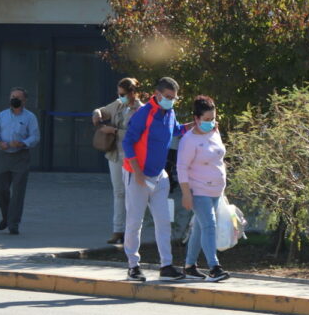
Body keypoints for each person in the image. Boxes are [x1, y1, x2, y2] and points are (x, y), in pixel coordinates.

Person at [122, 75, 183, 282]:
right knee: (134, 222)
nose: (171, 101)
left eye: (174, 98)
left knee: (164, 221)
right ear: (157, 94)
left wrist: (196, 125)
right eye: (168, 97)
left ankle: (166, 265)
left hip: (159, 176)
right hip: (137, 176)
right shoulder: (144, 113)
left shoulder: (170, 112)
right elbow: (128, 142)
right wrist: (137, 172)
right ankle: (133, 266)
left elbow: (176, 130)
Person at [178, 95, 230, 281]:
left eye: (213, 118)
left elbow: (218, 158)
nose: (211, 122)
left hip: (216, 190)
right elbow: (182, 168)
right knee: (209, 225)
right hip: (199, 190)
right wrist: (186, 194)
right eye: (207, 119)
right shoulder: (189, 140)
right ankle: (214, 267)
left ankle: (189, 266)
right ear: (196, 118)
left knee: (200, 228)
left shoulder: (214, 132)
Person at [92, 77, 141, 245]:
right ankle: (117, 230)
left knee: (132, 194)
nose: (120, 97)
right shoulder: (118, 104)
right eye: (119, 94)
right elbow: (103, 110)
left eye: (123, 94)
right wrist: (97, 113)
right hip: (115, 154)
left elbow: (137, 135)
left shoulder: (140, 110)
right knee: (118, 192)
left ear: (133, 93)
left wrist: (114, 131)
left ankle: (131, 231)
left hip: (132, 157)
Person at [0, 86, 39, 235]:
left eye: (18, 97)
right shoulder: (2, 115)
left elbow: (35, 136)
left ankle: (13, 223)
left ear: (24, 100)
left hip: (21, 156)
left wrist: (23, 143)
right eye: (12, 97)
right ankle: (7, 216)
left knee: (18, 191)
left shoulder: (30, 117)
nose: (14, 99)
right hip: (4, 155)